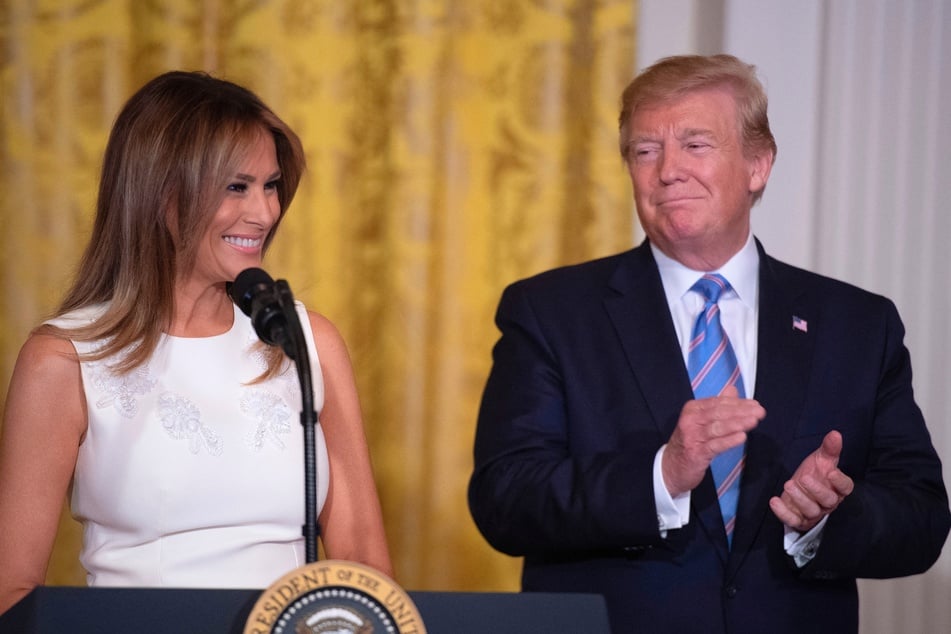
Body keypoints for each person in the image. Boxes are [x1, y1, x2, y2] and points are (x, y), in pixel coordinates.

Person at [468, 54, 950, 633]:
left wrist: (830, 517)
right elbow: (505, 499)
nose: (667, 170)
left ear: (758, 165)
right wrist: (660, 477)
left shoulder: (857, 325)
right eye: (645, 151)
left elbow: (922, 518)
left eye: (695, 145)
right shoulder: (550, 312)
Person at [0, 71, 392, 615]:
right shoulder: (65, 359)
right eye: (238, 187)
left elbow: (364, 565)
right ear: (162, 194)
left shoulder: (304, 341)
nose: (265, 212)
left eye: (270, 185)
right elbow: (11, 592)